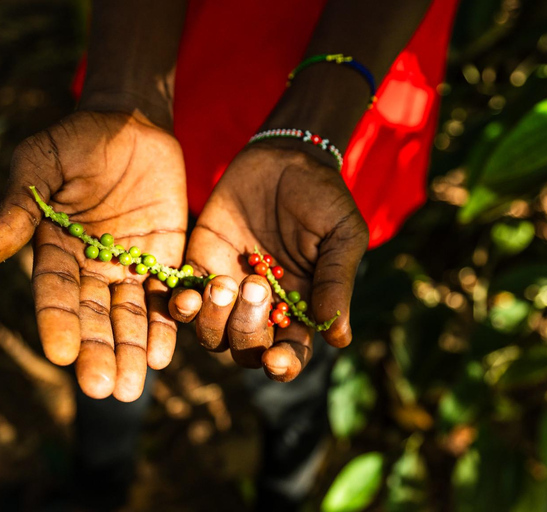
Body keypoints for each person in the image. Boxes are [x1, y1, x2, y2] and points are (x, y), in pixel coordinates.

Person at [0, 0, 458, 509]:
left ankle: (282, 495)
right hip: (178, 71)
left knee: (286, 370)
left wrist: (311, 131)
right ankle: (98, 486)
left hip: (344, 103)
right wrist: (124, 92)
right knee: (118, 337)